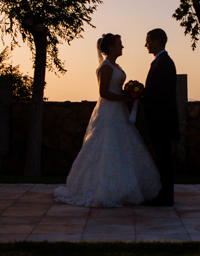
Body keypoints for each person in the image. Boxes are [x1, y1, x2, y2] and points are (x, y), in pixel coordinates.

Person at [54, 33, 161, 207]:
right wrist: (125, 99)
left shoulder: (115, 65)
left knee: (124, 146)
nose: (122, 47)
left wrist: (130, 93)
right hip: (109, 112)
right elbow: (103, 93)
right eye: (119, 44)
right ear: (110, 48)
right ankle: (103, 189)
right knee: (106, 146)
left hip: (119, 112)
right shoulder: (106, 67)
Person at [142, 28, 179, 206]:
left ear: (156, 42)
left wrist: (143, 96)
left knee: (164, 158)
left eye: (148, 41)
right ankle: (165, 194)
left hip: (161, 119)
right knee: (162, 157)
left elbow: (161, 93)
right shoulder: (160, 62)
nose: (146, 45)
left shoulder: (164, 63)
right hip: (159, 118)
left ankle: (166, 196)